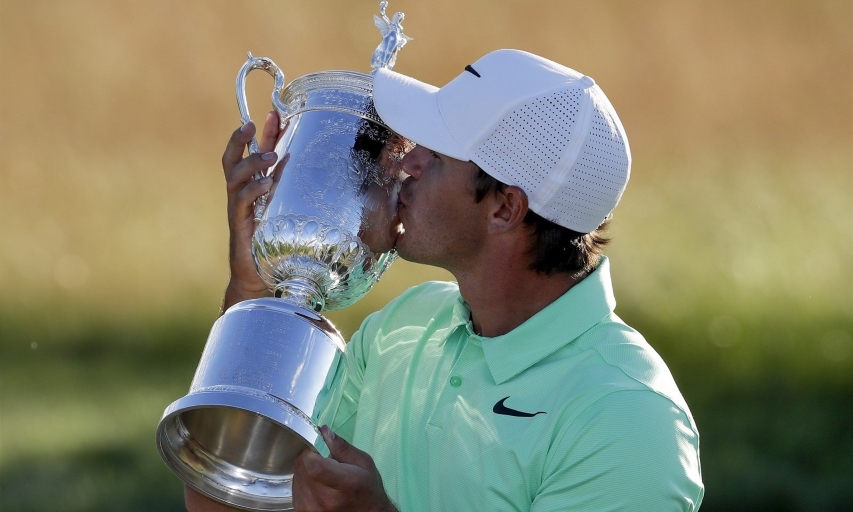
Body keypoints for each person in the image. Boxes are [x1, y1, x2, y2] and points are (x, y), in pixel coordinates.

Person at [187, 49, 704, 511]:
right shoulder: (402, 331)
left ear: (504, 208)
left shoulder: (628, 419)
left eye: (435, 153)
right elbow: (226, 494)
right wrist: (256, 295)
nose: (407, 162)